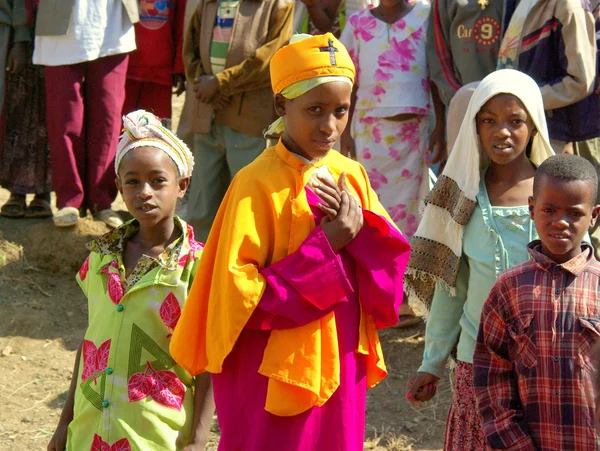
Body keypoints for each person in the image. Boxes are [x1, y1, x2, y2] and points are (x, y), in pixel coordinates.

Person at [170, 33, 411, 450]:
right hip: (267, 363)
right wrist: (329, 243)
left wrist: (362, 231)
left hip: (339, 349)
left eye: (341, 111)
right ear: (282, 105)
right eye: (314, 110)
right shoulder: (254, 184)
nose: (329, 126)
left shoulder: (350, 174)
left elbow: (385, 270)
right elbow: (237, 296)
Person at [46, 110, 214, 451]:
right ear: (119, 187)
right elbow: (92, 340)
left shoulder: (199, 265)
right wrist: (65, 423)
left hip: (155, 435)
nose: (145, 192)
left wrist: (198, 439)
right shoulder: (99, 258)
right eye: (133, 182)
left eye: (158, 180)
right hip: (89, 431)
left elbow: (210, 358)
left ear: (182, 186)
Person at [404, 69, 554, 450]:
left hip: (547, 364)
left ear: (534, 125)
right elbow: (453, 290)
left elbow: (583, 278)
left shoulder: (558, 195)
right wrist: (431, 363)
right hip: (479, 362)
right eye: (488, 120)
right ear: (475, 127)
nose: (501, 131)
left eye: (515, 120)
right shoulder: (463, 197)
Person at [474, 154, 600, 450]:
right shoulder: (509, 288)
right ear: (532, 208)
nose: (561, 222)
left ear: (594, 216)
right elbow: (491, 374)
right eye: (549, 210)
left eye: (574, 213)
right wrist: (512, 442)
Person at [427, 0, 598, 163]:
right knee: (479, 185)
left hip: (541, 125)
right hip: (496, 117)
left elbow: (579, 81)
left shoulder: (569, 5)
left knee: (531, 186)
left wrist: (518, 98)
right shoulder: (521, 3)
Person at [183, 0, 293, 241]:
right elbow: (190, 49)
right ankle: (198, 270)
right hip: (208, 113)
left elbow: (268, 59)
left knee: (245, 204)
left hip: (249, 120)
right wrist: (204, 83)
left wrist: (221, 83)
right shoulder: (208, 3)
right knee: (202, 207)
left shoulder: (277, 5)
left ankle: (239, 269)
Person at [33, 0, 139, 228]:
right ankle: (69, 200)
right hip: (60, 28)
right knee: (64, 118)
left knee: (108, 118)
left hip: (113, 25)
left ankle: (102, 201)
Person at [340, 0, 441, 237]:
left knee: (410, 211)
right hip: (369, 135)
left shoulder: (425, 17)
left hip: (413, 135)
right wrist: (345, 134)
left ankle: (402, 266)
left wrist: (440, 128)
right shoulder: (357, 24)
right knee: (370, 204)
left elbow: (437, 76)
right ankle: (374, 265)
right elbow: (347, 83)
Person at [0, 0, 52, 218]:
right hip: (21, 33)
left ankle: (45, 193)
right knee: (18, 110)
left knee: (50, 112)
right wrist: (20, 39)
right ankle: (16, 192)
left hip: (55, 28)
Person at [123, 0, 187, 121]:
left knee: (156, 130)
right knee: (122, 129)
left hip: (161, 73)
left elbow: (181, 24)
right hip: (126, 71)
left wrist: (179, 68)